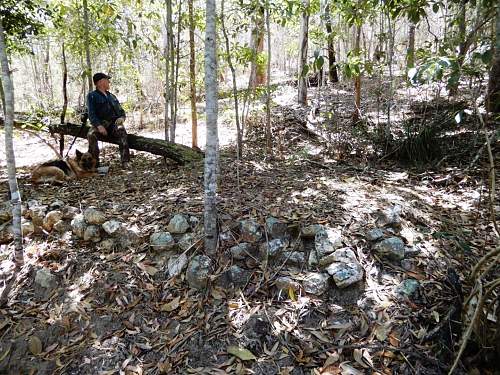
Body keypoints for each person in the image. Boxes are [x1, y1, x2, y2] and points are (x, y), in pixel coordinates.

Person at [87, 73, 130, 168]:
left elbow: (121, 111)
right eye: (107, 80)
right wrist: (99, 126)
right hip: (100, 124)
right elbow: (91, 114)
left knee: (122, 131)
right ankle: (95, 163)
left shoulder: (112, 96)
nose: (109, 82)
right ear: (101, 82)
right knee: (91, 135)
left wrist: (122, 118)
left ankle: (125, 161)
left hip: (113, 124)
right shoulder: (92, 96)